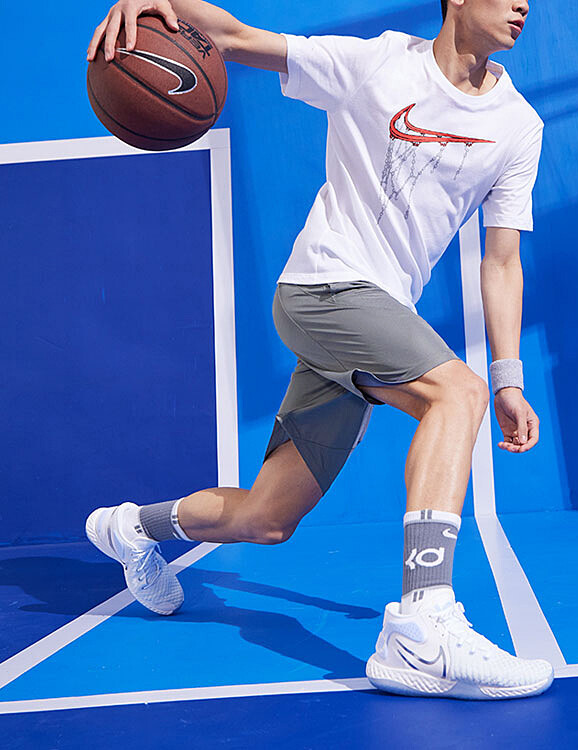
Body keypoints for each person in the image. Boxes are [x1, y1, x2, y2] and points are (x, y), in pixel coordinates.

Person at [85, 0, 552, 700]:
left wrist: (510, 377)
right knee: (456, 394)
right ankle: (422, 625)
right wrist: (153, 0)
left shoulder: (518, 125)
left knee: (268, 518)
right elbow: (233, 36)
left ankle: (133, 528)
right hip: (323, 287)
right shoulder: (376, 64)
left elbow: (502, 260)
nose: (524, 5)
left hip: (374, 316)